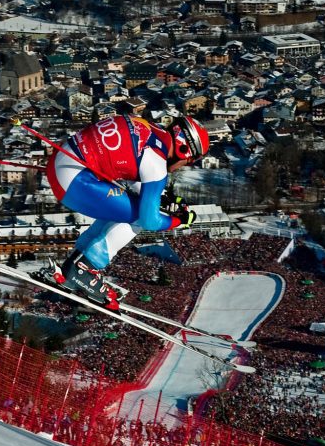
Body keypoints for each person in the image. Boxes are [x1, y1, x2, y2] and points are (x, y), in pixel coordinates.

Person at [45, 114, 209, 308]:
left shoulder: (148, 128)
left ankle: (76, 263)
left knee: (126, 209)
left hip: (61, 162)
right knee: (139, 216)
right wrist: (178, 221)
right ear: (183, 150)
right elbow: (150, 220)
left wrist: (162, 197)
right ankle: (85, 268)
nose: (183, 166)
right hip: (74, 181)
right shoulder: (157, 164)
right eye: (189, 162)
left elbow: (132, 171)